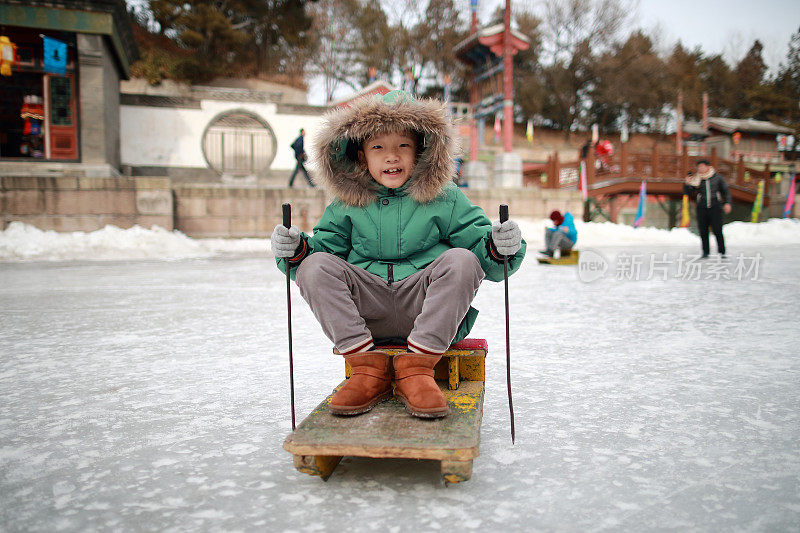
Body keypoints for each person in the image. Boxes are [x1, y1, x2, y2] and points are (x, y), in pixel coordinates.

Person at [270, 91, 526, 419]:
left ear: (420, 151)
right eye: (378, 147)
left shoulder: (444, 197)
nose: (391, 157)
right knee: (314, 266)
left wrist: (499, 245)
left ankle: (417, 368)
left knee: (463, 260)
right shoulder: (346, 203)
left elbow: (482, 253)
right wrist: (297, 250)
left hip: (426, 310)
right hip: (367, 311)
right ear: (361, 156)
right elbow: (323, 254)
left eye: (402, 146)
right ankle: (366, 367)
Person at [683, 159, 731, 258]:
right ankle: (705, 252)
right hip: (702, 208)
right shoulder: (696, 179)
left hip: (715, 207)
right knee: (703, 230)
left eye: (702, 166)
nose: (700, 169)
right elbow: (688, 193)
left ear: (708, 167)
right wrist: (687, 184)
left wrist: (727, 203)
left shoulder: (717, 178)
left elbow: (725, 191)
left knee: (717, 230)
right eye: (699, 167)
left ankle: (722, 252)